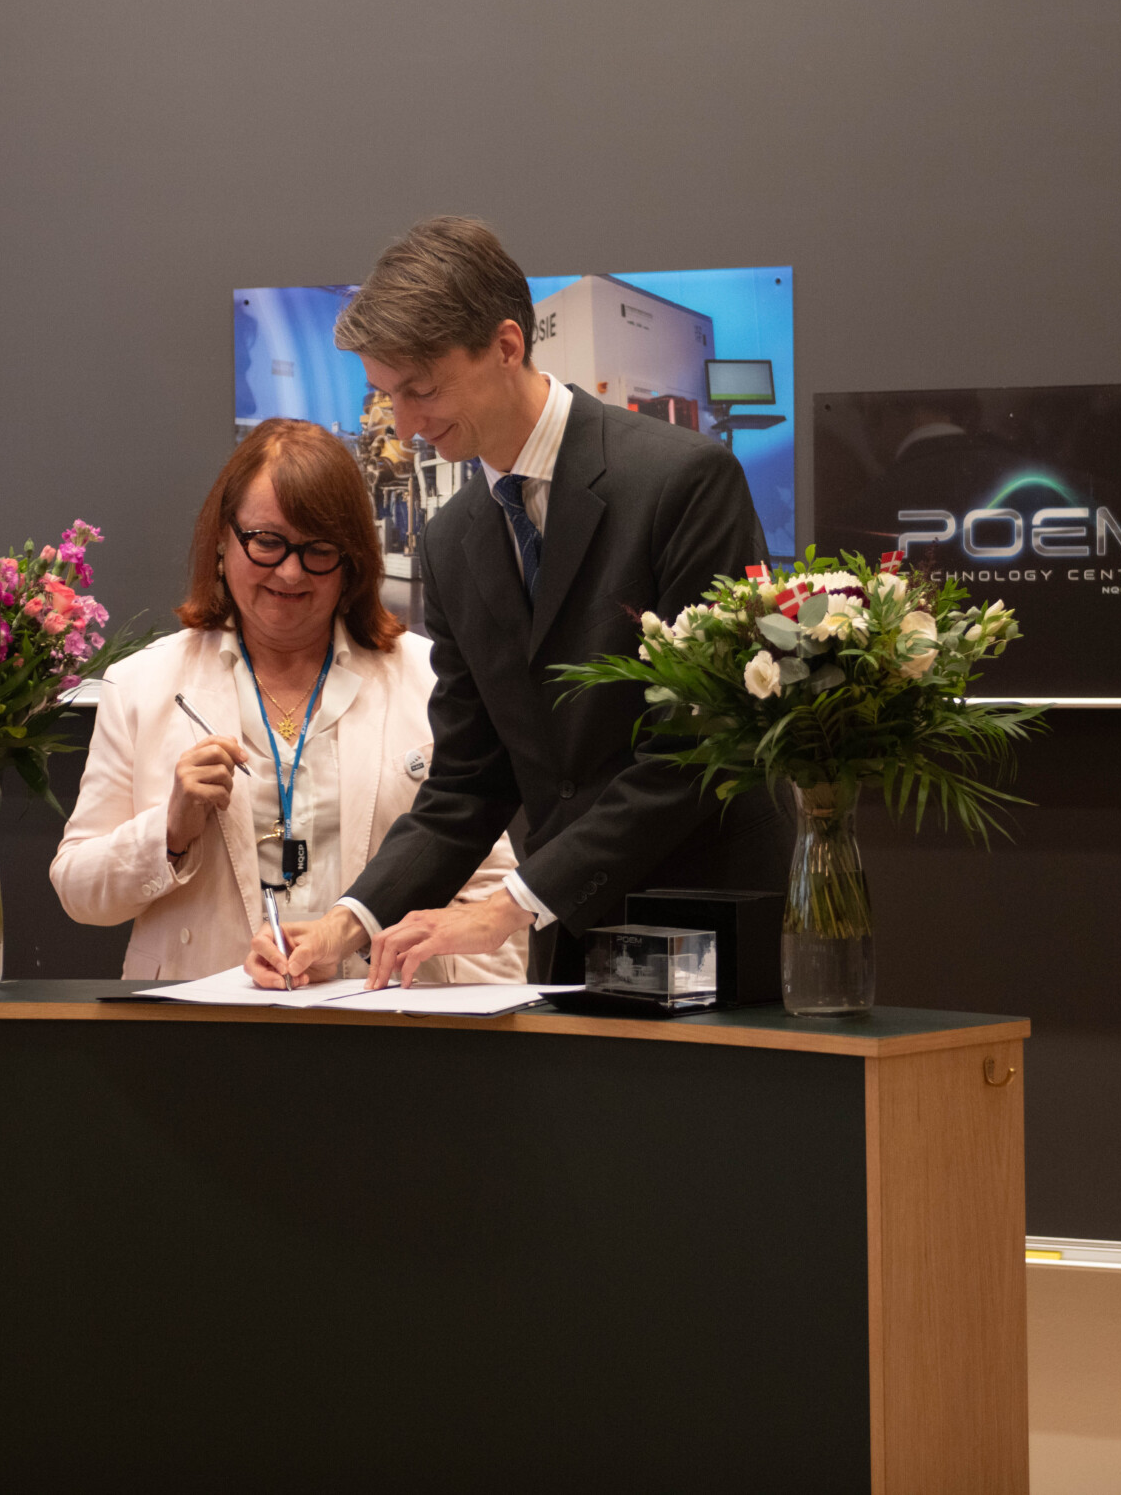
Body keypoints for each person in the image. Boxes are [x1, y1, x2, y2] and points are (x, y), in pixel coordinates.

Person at [252, 216, 784, 990]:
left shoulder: (683, 483)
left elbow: (699, 749)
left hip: (711, 924)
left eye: (420, 389)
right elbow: (469, 780)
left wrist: (510, 904)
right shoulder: (453, 538)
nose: (403, 424)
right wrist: (348, 922)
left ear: (506, 345)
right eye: (384, 395)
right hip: (571, 939)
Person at [53, 420, 523, 983]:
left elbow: (491, 895)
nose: (291, 571)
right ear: (223, 542)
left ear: (352, 560)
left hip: (389, 1032)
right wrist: (170, 833)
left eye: (319, 549)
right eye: (267, 542)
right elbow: (79, 891)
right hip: (203, 1036)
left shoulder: (429, 679)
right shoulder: (144, 684)